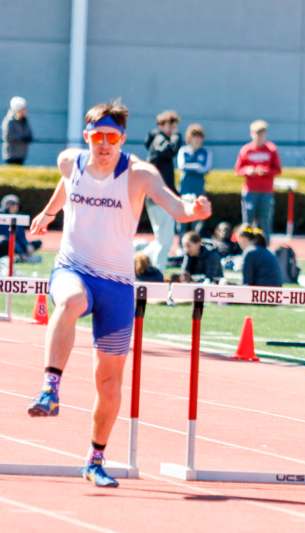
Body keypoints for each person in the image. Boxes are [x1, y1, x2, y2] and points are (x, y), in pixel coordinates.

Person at [26, 100, 211, 488]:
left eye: (112, 137)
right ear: (86, 137)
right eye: (97, 137)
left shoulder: (139, 174)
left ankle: (95, 458)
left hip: (117, 286)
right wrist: (47, 214)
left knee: (108, 383)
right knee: (70, 301)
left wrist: (194, 212)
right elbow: (67, 187)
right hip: (73, 268)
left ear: (123, 139)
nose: (104, 145)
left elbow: (174, 207)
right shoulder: (69, 161)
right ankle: (50, 387)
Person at [143, 110, 182, 272]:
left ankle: (140, 260)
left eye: (174, 125)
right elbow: (169, 150)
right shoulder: (159, 139)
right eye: (169, 125)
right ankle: (157, 272)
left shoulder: (157, 139)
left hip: (158, 195)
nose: (172, 129)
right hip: (158, 196)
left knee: (162, 238)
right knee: (165, 240)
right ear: (160, 125)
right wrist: (177, 139)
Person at [234, 119, 282, 244]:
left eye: (262, 133)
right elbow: (238, 170)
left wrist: (265, 171)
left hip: (266, 192)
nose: (259, 136)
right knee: (247, 221)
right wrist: (248, 171)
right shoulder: (246, 150)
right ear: (252, 134)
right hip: (250, 191)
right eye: (257, 133)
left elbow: (278, 170)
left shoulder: (271, 149)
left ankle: (265, 246)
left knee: (265, 221)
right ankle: (245, 245)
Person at [177, 123, 213, 237]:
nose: (197, 139)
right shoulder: (183, 150)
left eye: (199, 136)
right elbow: (181, 165)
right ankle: (181, 245)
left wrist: (193, 167)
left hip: (199, 189)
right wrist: (197, 167)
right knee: (182, 217)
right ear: (189, 137)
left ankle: (196, 244)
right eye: (194, 136)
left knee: (197, 219)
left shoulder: (206, 152)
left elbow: (206, 168)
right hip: (185, 188)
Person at [0, 193, 42, 262]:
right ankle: (21, 257)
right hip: (5, 246)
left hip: (16, 246)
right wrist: (21, 252)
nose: (15, 207)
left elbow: (21, 236)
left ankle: (20, 256)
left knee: (38, 242)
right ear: (6, 205)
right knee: (4, 241)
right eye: (13, 204)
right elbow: (8, 237)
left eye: (16, 205)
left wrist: (27, 245)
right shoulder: (2, 217)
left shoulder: (17, 218)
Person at [2, 96, 33, 165]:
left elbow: (29, 134)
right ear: (17, 110)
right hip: (11, 155)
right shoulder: (9, 121)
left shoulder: (25, 121)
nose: (25, 111)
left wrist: (27, 138)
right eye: (23, 109)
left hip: (22, 155)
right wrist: (22, 138)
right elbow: (8, 137)